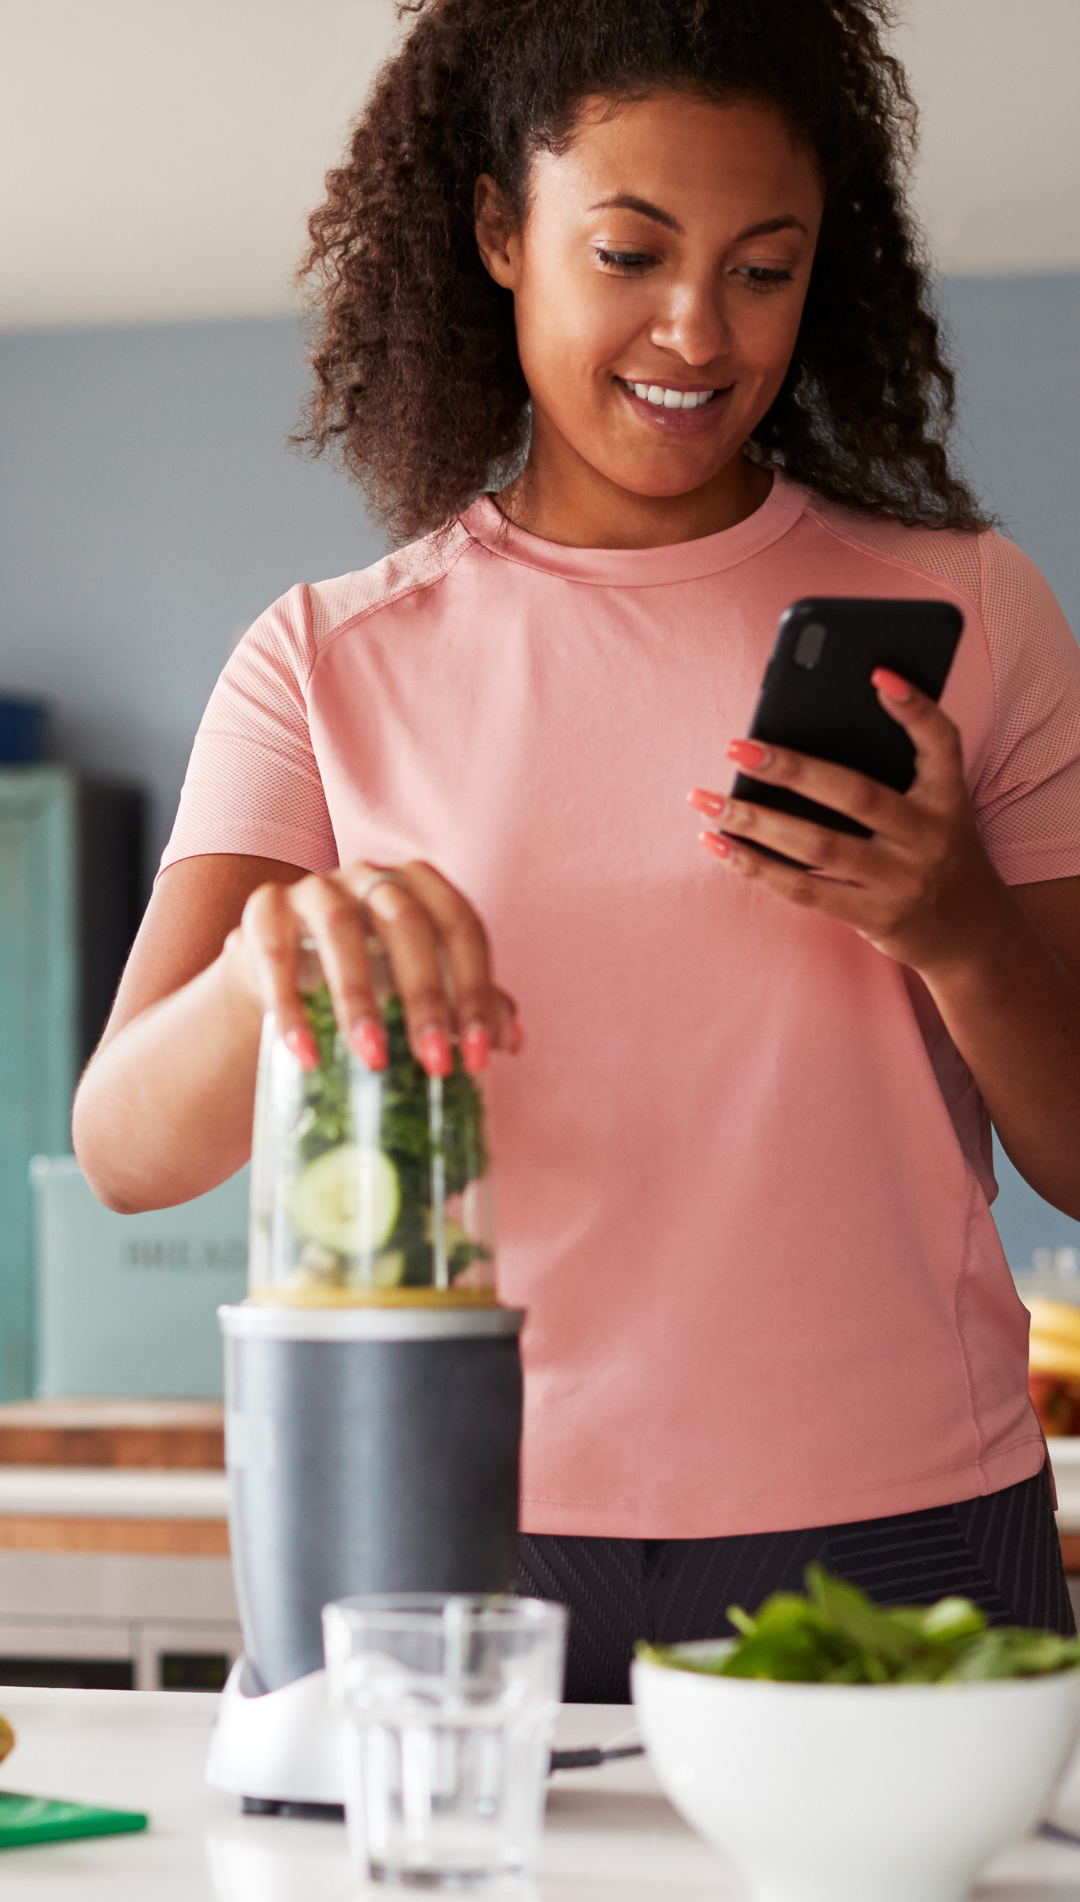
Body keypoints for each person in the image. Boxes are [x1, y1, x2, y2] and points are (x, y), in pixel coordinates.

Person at [73, 0, 1080, 1699]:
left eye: (765, 267)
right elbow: (125, 1149)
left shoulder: (970, 609)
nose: (697, 330)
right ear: (496, 230)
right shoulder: (329, 659)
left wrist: (958, 926)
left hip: (901, 1522)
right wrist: (277, 963)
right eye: (629, 250)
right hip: (440, 1525)